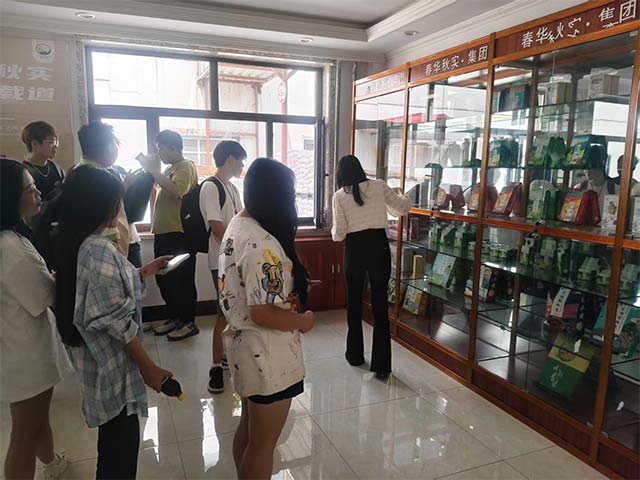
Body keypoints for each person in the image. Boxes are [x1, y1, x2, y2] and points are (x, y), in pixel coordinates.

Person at [53, 165, 173, 480]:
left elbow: (103, 292)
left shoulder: (75, 242)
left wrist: (144, 271)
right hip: (113, 368)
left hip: (97, 366)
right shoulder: (97, 250)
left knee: (112, 446)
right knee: (120, 451)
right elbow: (116, 321)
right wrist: (149, 368)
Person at [219, 158, 315, 479]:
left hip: (245, 348)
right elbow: (262, 312)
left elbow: (252, 290)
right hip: (268, 356)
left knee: (250, 430)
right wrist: (303, 321)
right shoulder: (262, 243)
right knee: (263, 445)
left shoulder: (239, 224)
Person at [1, 158, 69, 480]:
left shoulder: (11, 240)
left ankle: (52, 464)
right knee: (22, 437)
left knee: (37, 420)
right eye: (30, 189)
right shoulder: (11, 249)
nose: (38, 193)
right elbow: (44, 296)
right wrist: (61, 276)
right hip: (24, 354)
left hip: (20, 349)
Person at [331, 154, 411, 379]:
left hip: (354, 250)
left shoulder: (340, 196)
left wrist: (335, 230)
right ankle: (382, 365)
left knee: (354, 303)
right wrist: (401, 193)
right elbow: (403, 208)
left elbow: (339, 234)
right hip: (378, 247)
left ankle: (355, 355)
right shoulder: (379, 186)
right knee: (380, 305)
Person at [139, 130, 199, 341]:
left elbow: (177, 190)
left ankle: (188, 322)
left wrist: (155, 171)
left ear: (173, 147)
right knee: (165, 279)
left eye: (161, 149)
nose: (159, 153)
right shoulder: (169, 169)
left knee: (182, 280)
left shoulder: (185, 166)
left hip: (179, 233)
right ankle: (175, 317)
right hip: (164, 232)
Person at [201, 140, 246, 393]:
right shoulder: (210, 186)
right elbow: (217, 228)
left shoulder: (232, 188)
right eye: (240, 160)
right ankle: (215, 367)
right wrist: (235, 254)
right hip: (221, 262)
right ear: (230, 159)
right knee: (222, 313)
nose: (242, 165)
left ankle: (227, 356)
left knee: (233, 310)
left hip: (236, 260)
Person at [76, 121, 133, 261]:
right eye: (115, 144)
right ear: (109, 146)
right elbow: (107, 226)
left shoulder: (76, 172)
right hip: (105, 255)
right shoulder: (102, 179)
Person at [21, 121, 65, 201]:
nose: (55, 146)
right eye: (51, 142)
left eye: (56, 142)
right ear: (35, 144)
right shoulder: (23, 172)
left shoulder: (57, 169)